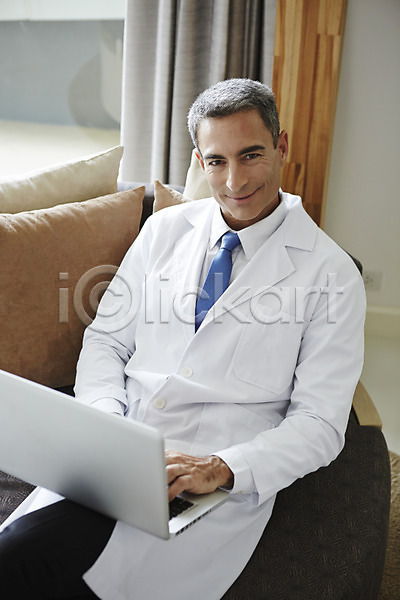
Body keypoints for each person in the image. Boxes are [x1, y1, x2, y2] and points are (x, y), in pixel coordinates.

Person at [0, 78, 365, 599]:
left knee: (51, 567)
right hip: (116, 451)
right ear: (199, 161)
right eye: (217, 161)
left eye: (251, 154)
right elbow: (107, 342)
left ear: (281, 146)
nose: (235, 180)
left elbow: (321, 423)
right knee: (19, 554)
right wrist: (105, 423)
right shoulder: (163, 231)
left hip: (208, 480)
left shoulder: (331, 274)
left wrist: (223, 468)